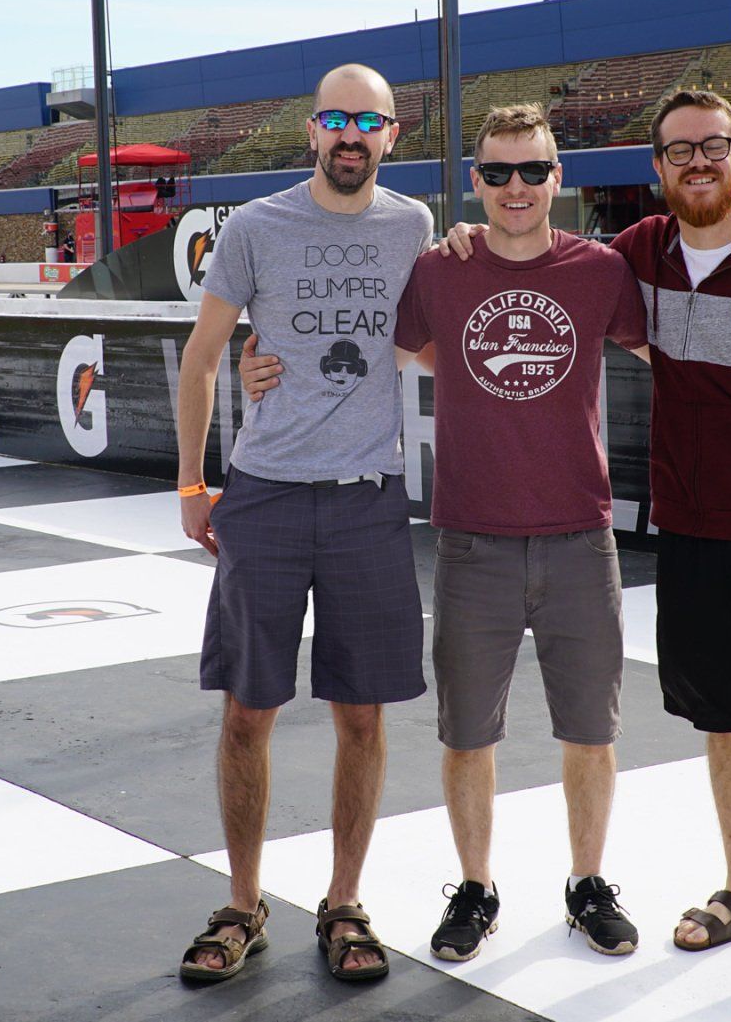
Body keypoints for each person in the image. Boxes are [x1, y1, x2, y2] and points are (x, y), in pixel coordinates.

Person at [443, 89, 731, 997]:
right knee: (724, 722)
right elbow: (540, 264)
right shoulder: (637, 256)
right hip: (694, 533)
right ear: (657, 170)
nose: (698, 162)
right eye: (679, 151)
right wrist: (464, 240)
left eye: (714, 147)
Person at [252, 104, 650, 962]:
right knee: (468, 733)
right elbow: (362, 350)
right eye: (499, 172)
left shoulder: (600, 271)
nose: (516, 187)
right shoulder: (440, 269)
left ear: (558, 179)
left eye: (532, 171)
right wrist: (261, 354)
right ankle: (476, 886)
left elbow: (681, 355)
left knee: (592, 731)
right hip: (471, 540)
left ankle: (587, 884)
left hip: (582, 536)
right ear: (474, 180)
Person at [173, 63, 431, 986]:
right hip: (267, 496)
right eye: (336, 119)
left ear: (392, 134)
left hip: (367, 497)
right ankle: (242, 903)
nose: (351, 135)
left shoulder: (414, 225)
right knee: (250, 710)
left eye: (369, 120)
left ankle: (344, 900)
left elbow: (421, 337)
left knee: (361, 713)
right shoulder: (256, 226)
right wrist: (192, 482)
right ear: (311, 131)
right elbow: (204, 358)